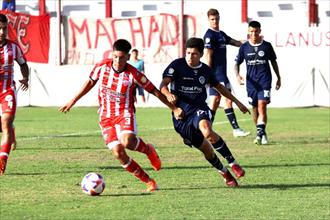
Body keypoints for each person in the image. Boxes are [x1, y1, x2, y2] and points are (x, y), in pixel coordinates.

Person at [59, 39, 184, 192]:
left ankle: (147, 150)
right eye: (115, 56)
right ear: (112, 54)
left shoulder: (134, 74)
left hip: (125, 113)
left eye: (122, 57)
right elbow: (90, 83)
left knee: (127, 141)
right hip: (105, 117)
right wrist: (73, 100)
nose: (118, 61)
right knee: (119, 152)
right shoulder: (102, 66)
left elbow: (154, 91)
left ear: (128, 57)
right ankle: (148, 181)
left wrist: (174, 108)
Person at [159, 37, 250, 187]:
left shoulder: (205, 71)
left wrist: (238, 103)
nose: (190, 56)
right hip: (181, 116)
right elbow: (163, 84)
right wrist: (168, 94)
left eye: (194, 54)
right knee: (207, 151)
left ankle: (233, 163)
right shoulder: (177, 65)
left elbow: (220, 88)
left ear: (201, 54)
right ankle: (224, 173)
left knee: (207, 131)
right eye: (188, 53)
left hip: (198, 109)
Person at [203, 8, 250, 138]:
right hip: (217, 74)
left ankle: (206, 128)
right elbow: (208, 56)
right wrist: (209, 75)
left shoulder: (221, 34)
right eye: (212, 19)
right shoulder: (209, 35)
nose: (215, 21)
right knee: (227, 99)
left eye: (217, 18)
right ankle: (236, 129)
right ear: (208, 20)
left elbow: (235, 42)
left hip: (221, 74)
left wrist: (249, 42)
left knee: (215, 101)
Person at [234, 20, 281, 145]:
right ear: (248, 32)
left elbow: (273, 62)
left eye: (256, 31)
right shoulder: (244, 47)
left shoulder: (267, 46)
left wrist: (278, 77)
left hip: (264, 81)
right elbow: (237, 64)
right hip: (251, 84)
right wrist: (237, 76)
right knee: (254, 108)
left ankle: (260, 133)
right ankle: (261, 132)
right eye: (251, 31)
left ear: (260, 31)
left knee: (262, 106)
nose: (253, 34)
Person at [0, 13, 29, 175]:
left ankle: (2, 159)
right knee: (5, 126)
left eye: (4, 29)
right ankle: (11, 130)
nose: (2, 32)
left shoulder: (13, 47)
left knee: (6, 120)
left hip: (7, 91)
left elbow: (23, 64)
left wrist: (25, 78)